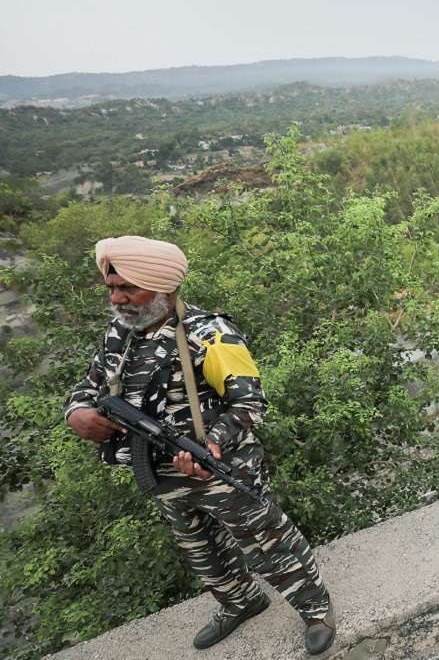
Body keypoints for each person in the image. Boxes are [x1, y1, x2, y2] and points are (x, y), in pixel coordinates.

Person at [64, 236, 335, 655]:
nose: (117, 299)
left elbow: (249, 403)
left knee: (266, 542)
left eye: (128, 288)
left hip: (222, 469)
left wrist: (213, 445)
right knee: (200, 549)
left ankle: (315, 609)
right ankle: (241, 602)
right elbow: (90, 385)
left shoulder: (210, 333)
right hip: (162, 473)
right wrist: (77, 413)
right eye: (112, 288)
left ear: (162, 287)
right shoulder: (120, 334)